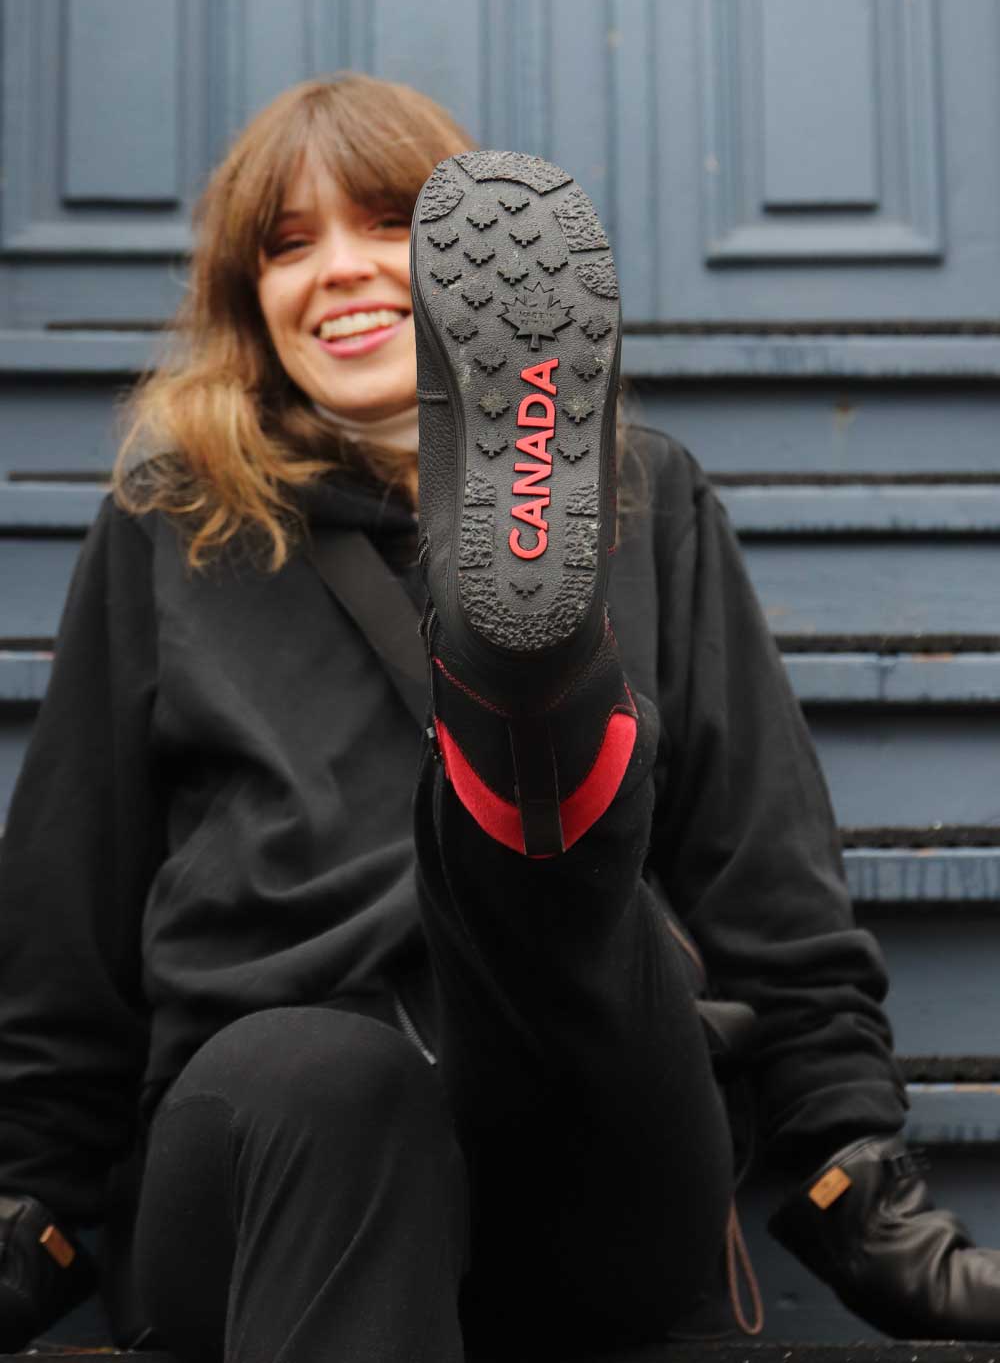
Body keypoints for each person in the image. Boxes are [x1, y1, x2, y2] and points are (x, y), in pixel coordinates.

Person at [0, 73, 998, 1362]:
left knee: (574, 921)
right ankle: (526, 691)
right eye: (288, 245)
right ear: (249, 301)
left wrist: (857, 1185)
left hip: (586, 1140)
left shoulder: (645, 497)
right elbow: (67, 924)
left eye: (388, 222)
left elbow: (765, 875)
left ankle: (520, 669)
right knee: (331, 1078)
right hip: (265, 1164)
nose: (341, 269)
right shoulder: (172, 522)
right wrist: (29, 1210)